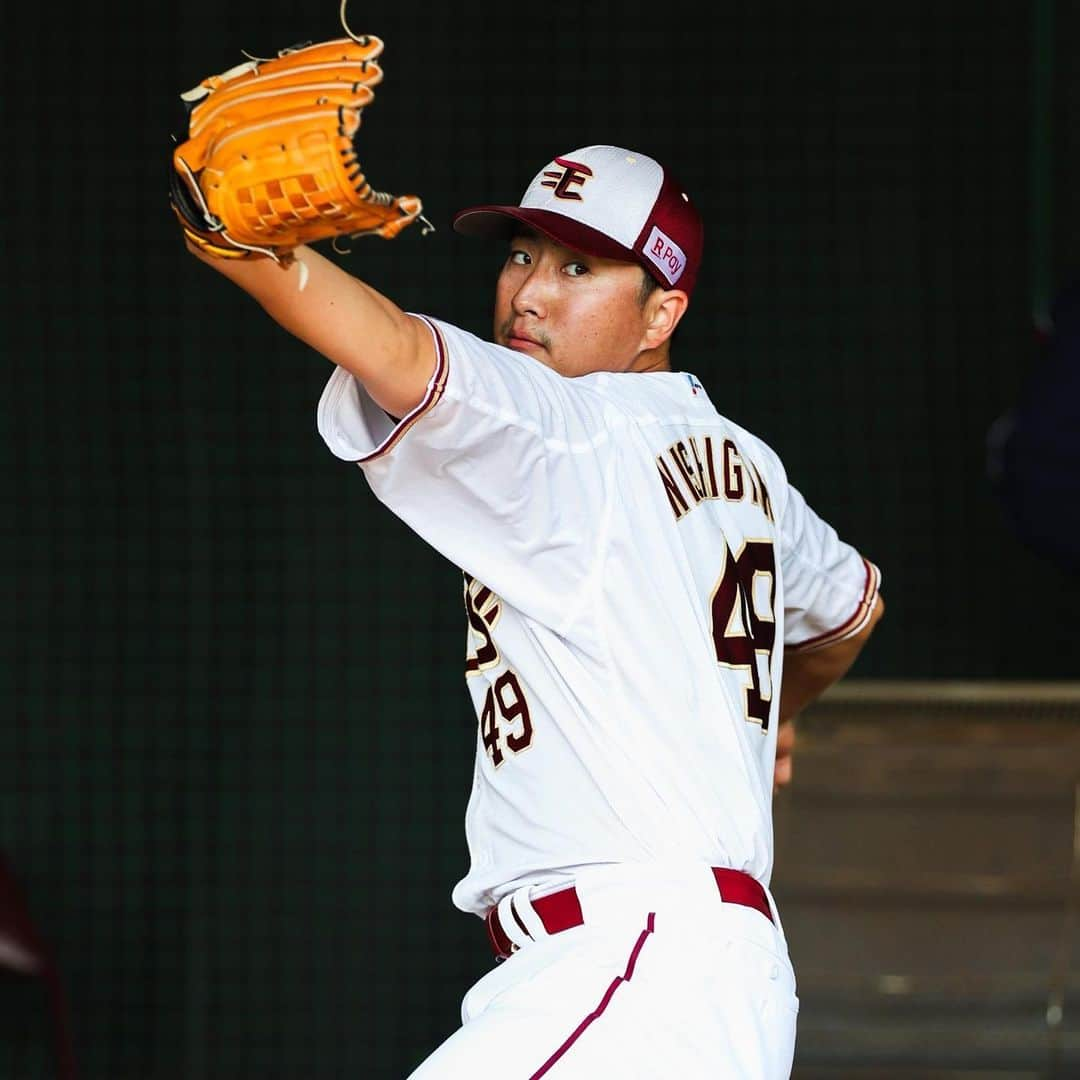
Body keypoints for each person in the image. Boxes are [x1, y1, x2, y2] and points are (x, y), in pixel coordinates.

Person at [183, 143, 884, 1078]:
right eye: (521, 255)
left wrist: (238, 245)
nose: (530, 293)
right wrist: (771, 716)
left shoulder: (572, 430)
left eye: (579, 268)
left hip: (635, 965)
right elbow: (850, 609)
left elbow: (390, 347)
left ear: (661, 312)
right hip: (692, 977)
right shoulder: (748, 466)